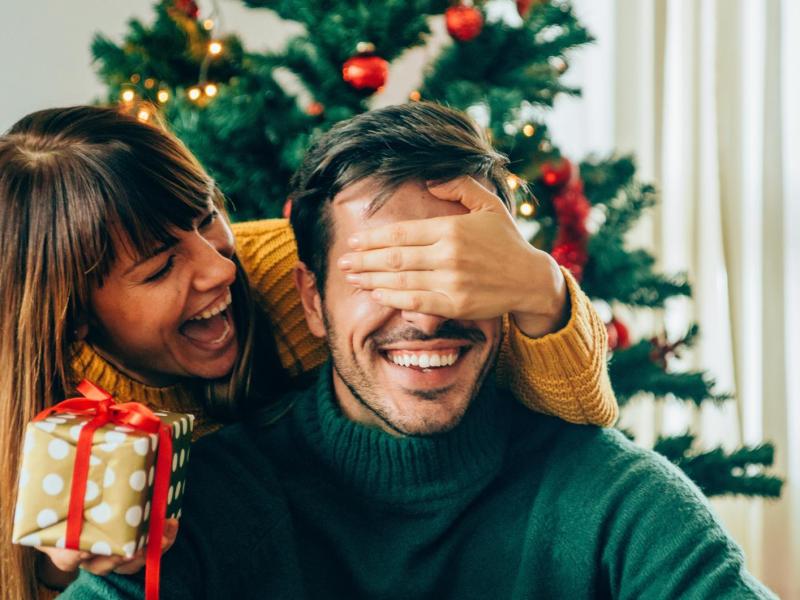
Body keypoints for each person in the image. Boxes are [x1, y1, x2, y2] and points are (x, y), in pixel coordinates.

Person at [61, 102, 775, 599]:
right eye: (381, 275)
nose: (428, 313)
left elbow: (578, 385)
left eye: (455, 270)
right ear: (310, 298)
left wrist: (541, 284)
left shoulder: (619, 503)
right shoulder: (201, 506)